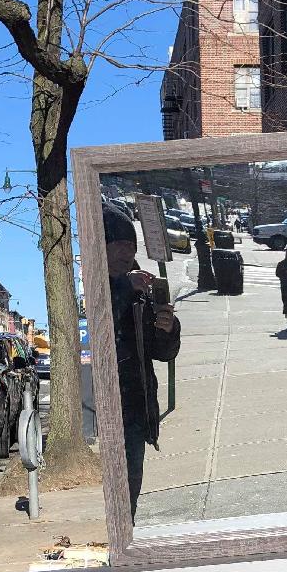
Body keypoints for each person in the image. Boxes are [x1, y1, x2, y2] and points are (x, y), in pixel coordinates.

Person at [104, 201, 181, 516]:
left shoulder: (140, 288)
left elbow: (163, 353)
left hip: (136, 413)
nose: (127, 252)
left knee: (127, 502)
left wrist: (168, 328)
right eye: (118, 245)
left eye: (131, 245)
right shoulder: (106, 286)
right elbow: (99, 322)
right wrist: (124, 287)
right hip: (106, 414)